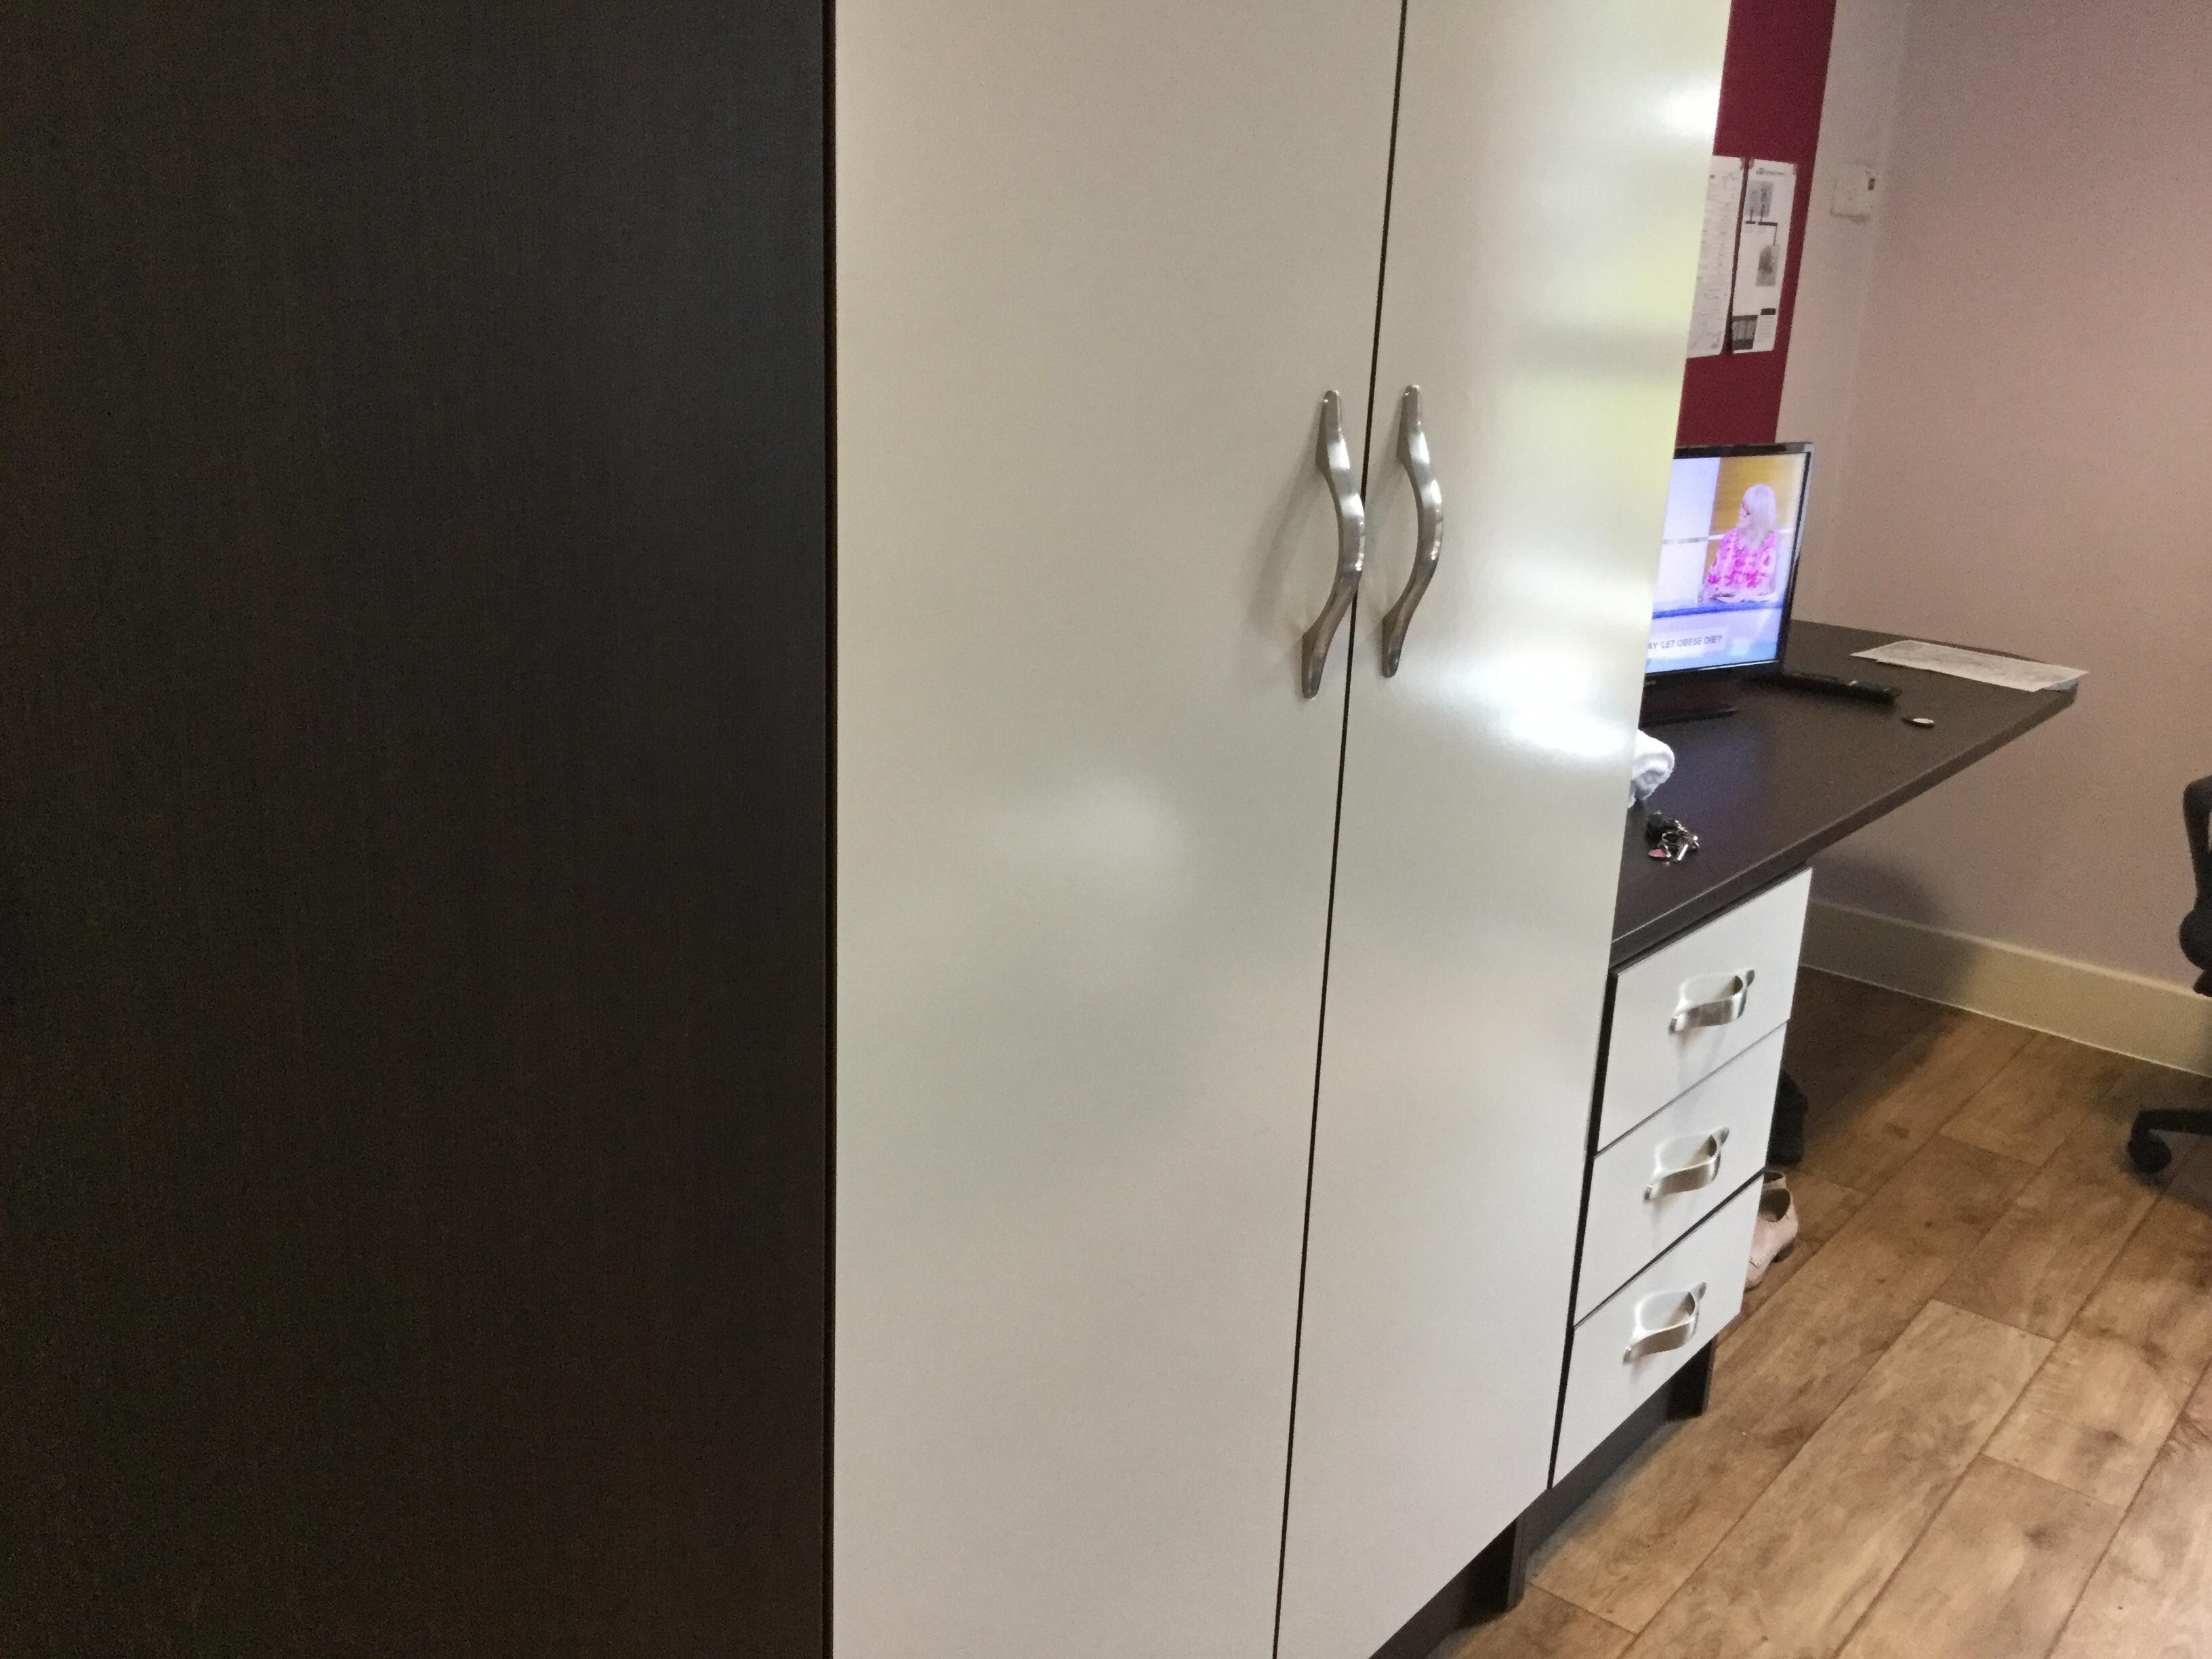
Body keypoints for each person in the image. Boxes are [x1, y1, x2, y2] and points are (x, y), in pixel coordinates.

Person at [1703, 481, 1780, 602]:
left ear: (1759, 515)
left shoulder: (1770, 544)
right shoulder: (1729, 538)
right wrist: (1716, 590)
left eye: (1747, 510)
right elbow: (1709, 582)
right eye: (1742, 506)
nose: (1741, 512)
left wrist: (1735, 593)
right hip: (1717, 606)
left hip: (1749, 610)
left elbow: (1762, 589)